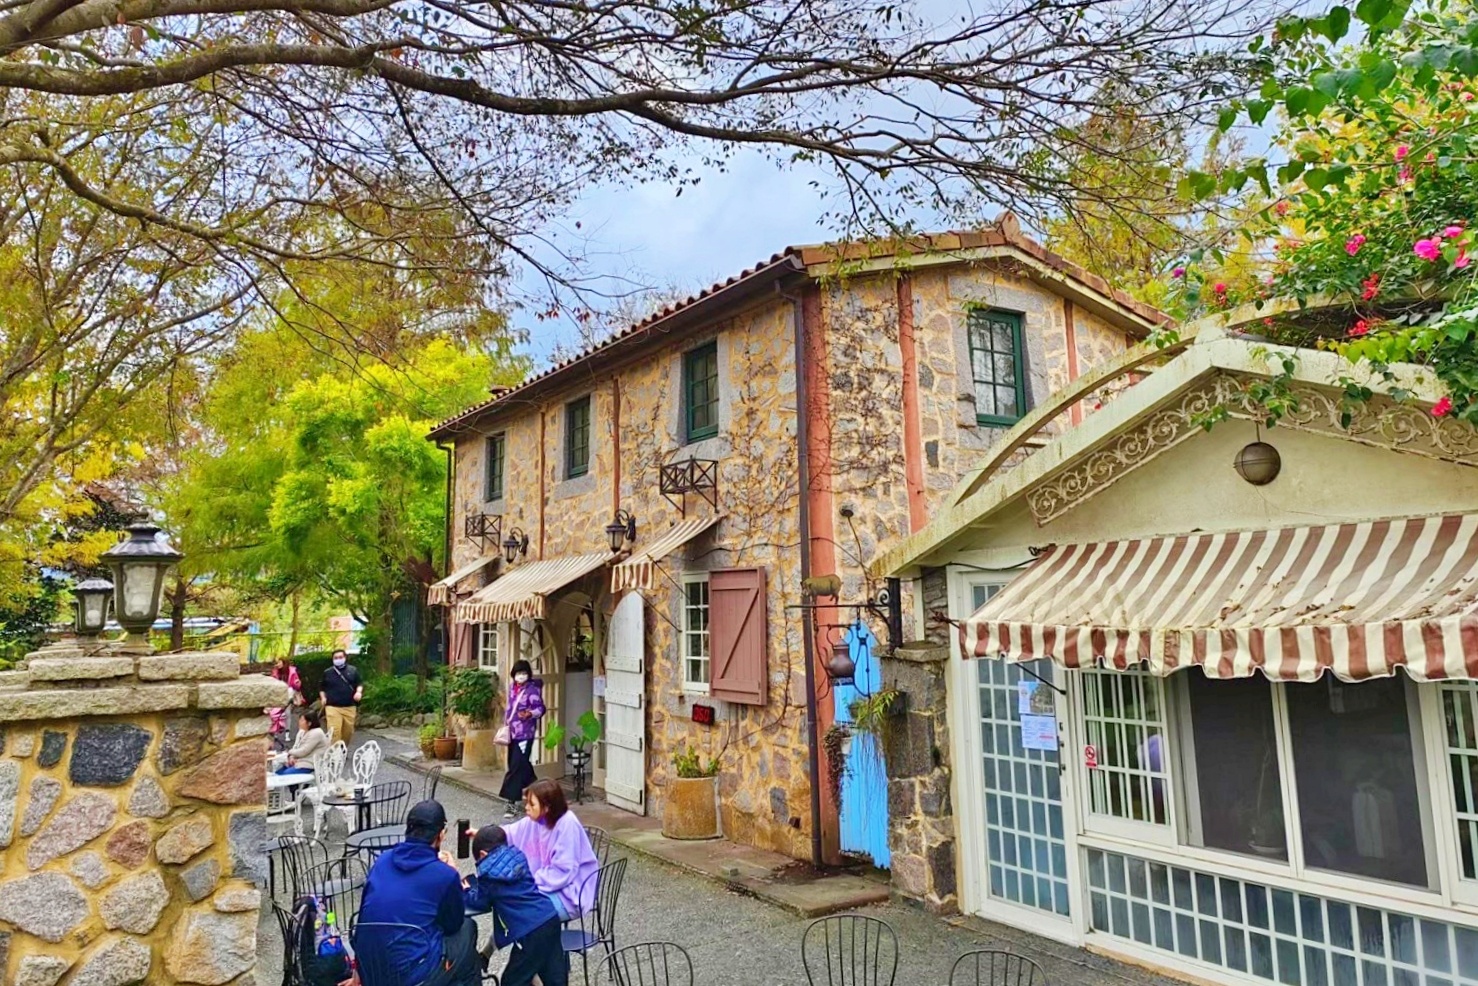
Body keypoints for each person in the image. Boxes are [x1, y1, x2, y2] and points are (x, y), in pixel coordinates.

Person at [356, 800, 479, 986]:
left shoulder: (383, 860)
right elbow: (453, 925)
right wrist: (452, 873)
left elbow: (365, 912)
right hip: (412, 975)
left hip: (370, 970)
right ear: (441, 835)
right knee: (468, 929)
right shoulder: (444, 874)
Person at [461, 825, 567, 986]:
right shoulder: (518, 856)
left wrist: (465, 888)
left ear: (482, 854)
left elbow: (479, 902)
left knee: (513, 980)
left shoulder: (488, 873)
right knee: (554, 976)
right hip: (550, 916)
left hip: (530, 930)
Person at [502, 779, 599, 921]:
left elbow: (563, 870)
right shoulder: (536, 820)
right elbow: (510, 832)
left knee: (524, 912)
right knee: (511, 903)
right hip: (546, 885)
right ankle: (508, 940)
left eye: (532, 804)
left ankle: (525, 942)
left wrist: (530, 883)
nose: (526, 808)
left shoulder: (567, 824)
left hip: (569, 894)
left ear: (547, 807)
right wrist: (484, 834)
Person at [497, 659, 545, 818]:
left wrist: (530, 714)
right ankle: (537, 786)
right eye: (518, 673)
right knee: (518, 763)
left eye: (524, 673)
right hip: (512, 732)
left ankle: (511, 800)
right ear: (513, 675)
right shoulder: (512, 689)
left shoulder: (531, 690)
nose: (521, 676)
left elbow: (540, 708)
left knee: (517, 765)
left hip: (525, 733)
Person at [319, 649, 363, 746]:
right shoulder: (327, 672)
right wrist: (323, 698)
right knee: (334, 731)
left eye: (340, 657)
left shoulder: (353, 670)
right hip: (332, 706)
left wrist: (358, 692)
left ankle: (343, 750)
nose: (338, 659)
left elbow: (359, 684)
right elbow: (322, 688)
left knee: (348, 732)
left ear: (345, 658)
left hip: (349, 706)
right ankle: (335, 754)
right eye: (335, 658)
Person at [272, 710, 330, 775]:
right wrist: (291, 757)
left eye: (302, 720)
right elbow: (295, 747)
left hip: (310, 764)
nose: (299, 722)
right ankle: (293, 785)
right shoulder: (302, 731)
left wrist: (289, 752)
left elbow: (303, 751)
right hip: (299, 761)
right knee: (277, 773)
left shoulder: (316, 733)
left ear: (309, 723)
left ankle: (294, 784)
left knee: (285, 775)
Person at [268, 656, 305, 751]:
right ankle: (275, 732)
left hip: (288, 694)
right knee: (276, 713)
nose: (278, 664)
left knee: (287, 713)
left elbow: (296, 684)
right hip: (277, 695)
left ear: (284, 663)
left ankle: (287, 734)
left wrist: (297, 683)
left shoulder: (291, 671)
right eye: (277, 662)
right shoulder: (275, 672)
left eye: (279, 662)